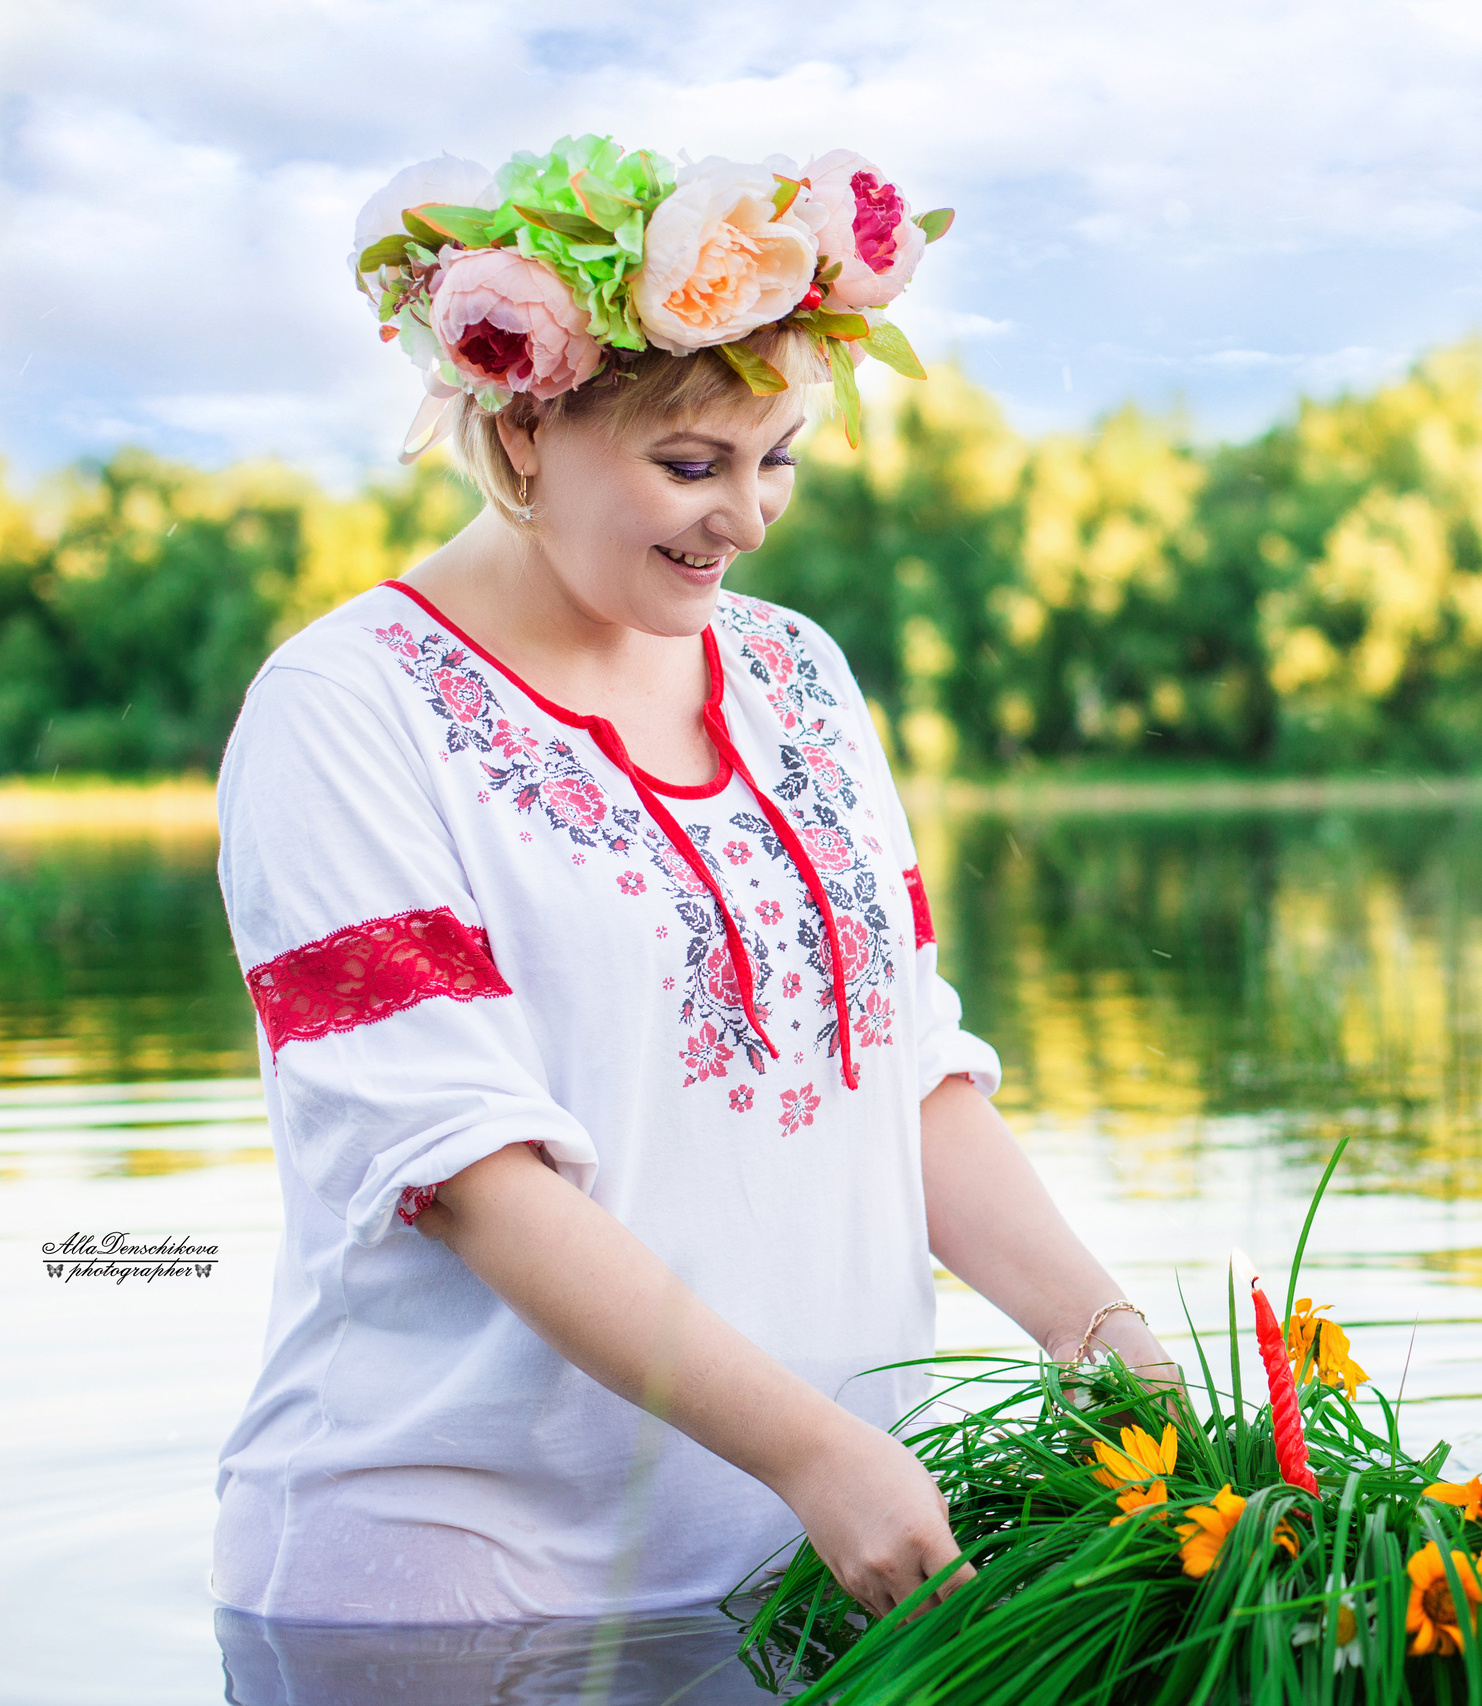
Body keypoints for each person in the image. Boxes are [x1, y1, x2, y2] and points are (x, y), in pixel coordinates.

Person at [211, 136, 1176, 1626]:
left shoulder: (798, 672)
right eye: (689, 463)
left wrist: (1107, 1337)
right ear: (520, 428)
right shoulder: (344, 705)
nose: (750, 514)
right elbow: (471, 1177)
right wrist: (809, 1446)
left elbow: (906, 1070)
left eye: (777, 455)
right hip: (467, 1601)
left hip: (821, 1565)